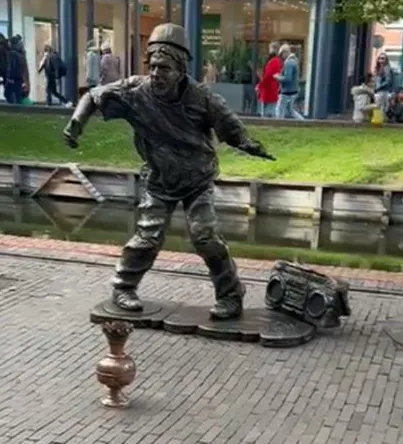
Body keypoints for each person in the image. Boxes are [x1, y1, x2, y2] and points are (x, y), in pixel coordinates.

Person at [63, 23, 275, 320]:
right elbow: (93, 96)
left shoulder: (203, 98)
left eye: (164, 68)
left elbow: (232, 129)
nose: (156, 74)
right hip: (159, 180)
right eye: (152, 66)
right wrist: (76, 123)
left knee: (205, 235)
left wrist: (251, 146)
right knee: (147, 237)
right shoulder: (134, 91)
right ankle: (123, 288)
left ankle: (230, 294)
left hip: (197, 179)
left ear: (181, 69)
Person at [275, 44, 304, 120]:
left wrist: (278, 77)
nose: (281, 57)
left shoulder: (289, 63)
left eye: (281, 54)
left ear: (285, 52)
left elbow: (288, 78)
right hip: (293, 90)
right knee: (290, 110)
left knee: (279, 109)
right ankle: (303, 122)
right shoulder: (294, 61)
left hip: (287, 91)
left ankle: (278, 124)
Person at [256, 42, 281, 118]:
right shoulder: (277, 61)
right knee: (270, 111)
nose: (269, 50)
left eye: (270, 48)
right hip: (271, 90)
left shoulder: (273, 61)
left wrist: (259, 86)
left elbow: (267, 77)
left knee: (266, 113)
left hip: (268, 90)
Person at [4, 37, 23, 104]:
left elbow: (11, 66)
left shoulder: (11, 54)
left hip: (13, 78)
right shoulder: (19, 54)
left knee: (8, 94)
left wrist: (9, 77)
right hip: (18, 78)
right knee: (17, 95)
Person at [374, 52, 392, 119]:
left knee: (382, 106)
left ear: (386, 60)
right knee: (379, 105)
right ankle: (379, 119)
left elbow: (388, 80)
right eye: (380, 58)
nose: (381, 60)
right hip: (378, 90)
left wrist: (379, 86)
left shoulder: (386, 68)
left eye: (383, 58)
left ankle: (381, 120)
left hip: (383, 90)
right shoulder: (378, 68)